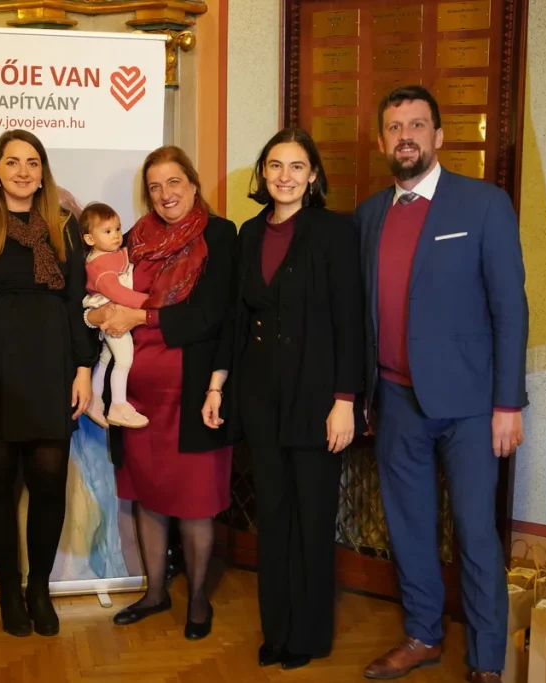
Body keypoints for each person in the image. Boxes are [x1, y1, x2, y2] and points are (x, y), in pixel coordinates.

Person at [355, 85, 528, 683]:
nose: (405, 136)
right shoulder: (369, 216)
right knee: (409, 530)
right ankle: (423, 635)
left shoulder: (484, 205)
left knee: (475, 534)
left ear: (438, 136)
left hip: (472, 407)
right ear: (382, 141)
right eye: (394, 127)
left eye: (416, 125)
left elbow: (510, 309)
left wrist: (508, 403)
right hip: (395, 400)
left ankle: (486, 661)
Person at [201, 127, 364, 669]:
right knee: (272, 519)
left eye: (297, 166)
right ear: (263, 173)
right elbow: (235, 319)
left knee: (312, 520)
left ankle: (309, 636)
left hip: (318, 401)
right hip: (260, 399)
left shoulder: (335, 232)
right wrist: (217, 385)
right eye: (275, 165)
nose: (285, 176)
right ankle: (277, 631)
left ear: (313, 175)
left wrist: (345, 400)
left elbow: (350, 321)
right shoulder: (249, 233)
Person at [0, 129, 97, 638]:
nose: (23, 171)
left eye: (33, 162)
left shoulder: (63, 226)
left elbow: (77, 303)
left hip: (50, 370)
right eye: (12, 161)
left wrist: (83, 370)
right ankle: (10, 589)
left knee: (49, 484)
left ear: (43, 171)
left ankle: (39, 590)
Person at [85, 145, 236, 640]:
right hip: (135, 395)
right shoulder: (133, 238)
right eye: (155, 186)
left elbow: (211, 314)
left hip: (191, 392)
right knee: (146, 495)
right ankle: (154, 593)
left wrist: (140, 316)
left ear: (192, 184)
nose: (165, 194)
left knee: (194, 500)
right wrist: (96, 313)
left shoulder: (220, 235)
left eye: (174, 182)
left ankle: (198, 600)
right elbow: (100, 291)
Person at [79, 202, 149, 429]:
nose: (117, 235)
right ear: (90, 239)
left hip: (112, 311)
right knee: (125, 359)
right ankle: (118, 405)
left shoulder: (109, 254)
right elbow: (118, 293)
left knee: (106, 357)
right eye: (107, 231)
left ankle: (94, 399)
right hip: (112, 314)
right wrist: (149, 303)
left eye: (118, 228)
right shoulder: (100, 267)